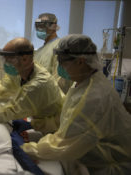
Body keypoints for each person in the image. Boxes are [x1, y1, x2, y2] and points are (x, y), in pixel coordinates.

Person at [15, 34, 131, 175]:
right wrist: (37, 125)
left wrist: (26, 149)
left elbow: (64, 145)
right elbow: (68, 117)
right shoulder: (83, 82)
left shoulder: (93, 97)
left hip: (111, 164)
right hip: (92, 156)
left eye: (63, 61)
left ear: (81, 61)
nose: (59, 65)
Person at [34, 13, 72, 93]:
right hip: (37, 95)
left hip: (51, 98)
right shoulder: (39, 51)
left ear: (53, 26)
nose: (39, 28)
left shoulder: (60, 47)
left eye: (42, 25)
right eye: (37, 25)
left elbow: (60, 81)